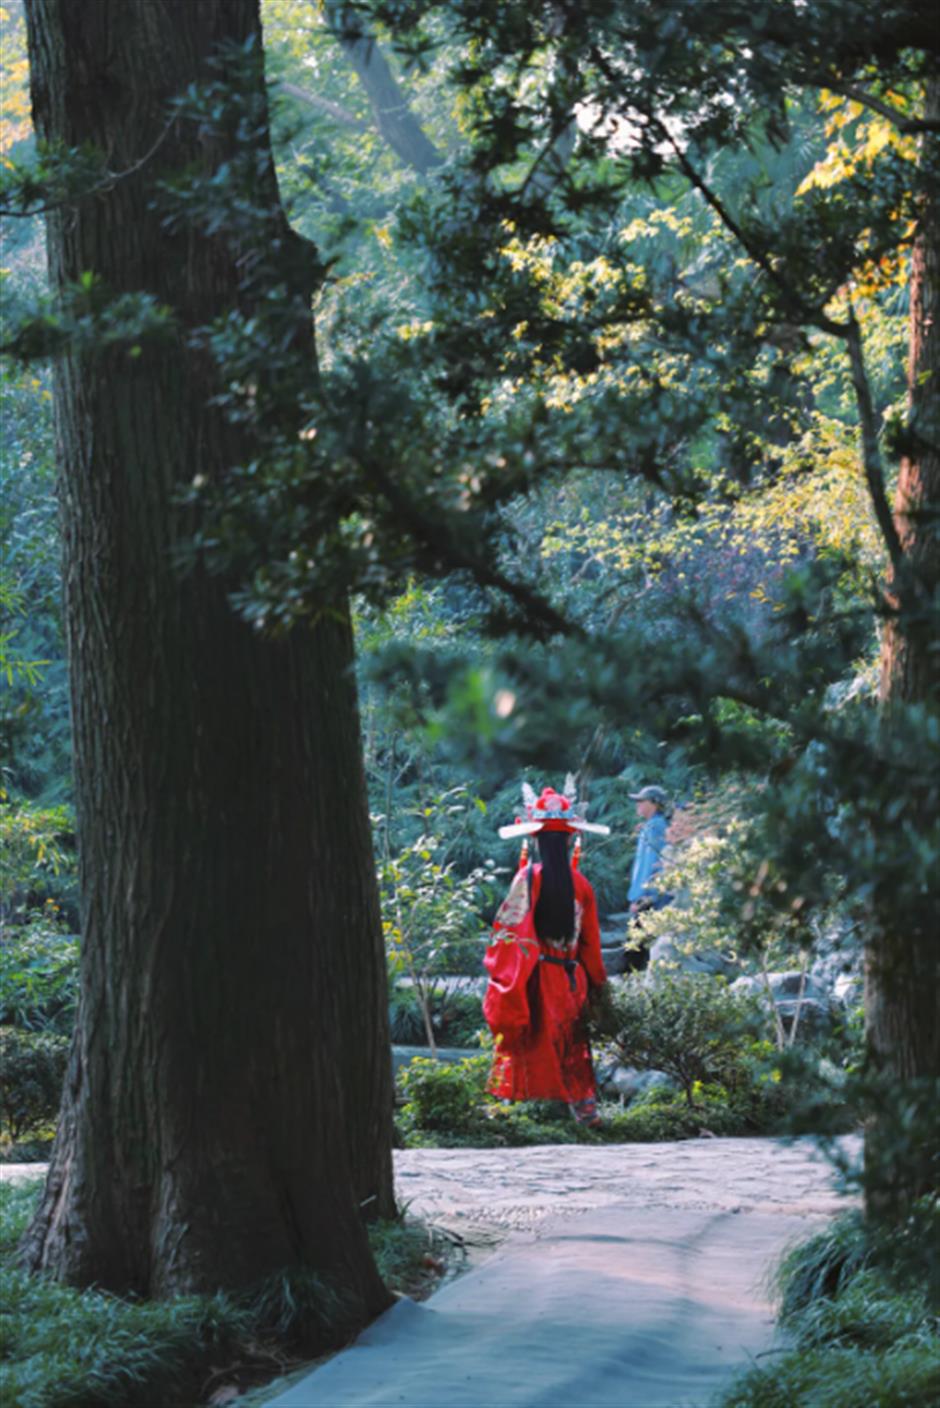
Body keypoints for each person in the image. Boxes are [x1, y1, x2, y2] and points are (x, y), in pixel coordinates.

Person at [483, 777, 611, 1127]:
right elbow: (591, 947)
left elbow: (512, 938)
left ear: (535, 839)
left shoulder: (529, 878)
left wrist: (508, 985)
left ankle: (520, 1114)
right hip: (572, 981)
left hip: (537, 978)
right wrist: (598, 987)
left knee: (532, 1044)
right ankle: (580, 1112)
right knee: (569, 1046)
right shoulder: (581, 885)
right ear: (571, 839)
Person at [624, 783, 671, 971]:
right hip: (650, 897)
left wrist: (643, 896)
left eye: (641, 801)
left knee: (636, 950)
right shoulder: (652, 826)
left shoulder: (655, 827)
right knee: (640, 947)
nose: (638, 805)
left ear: (653, 803)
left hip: (649, 899)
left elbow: (652, 864)